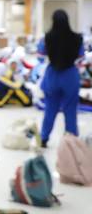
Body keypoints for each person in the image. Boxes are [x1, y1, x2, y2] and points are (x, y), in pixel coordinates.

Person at [38, 9, 84, 148]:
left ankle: (44, 138)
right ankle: (71, 141)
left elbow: (41, 55)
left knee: (50, 109)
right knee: (70, 110)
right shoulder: (78, 38)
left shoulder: (47, 37)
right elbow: (81, 56)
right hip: (70, 75)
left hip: (53, 75)